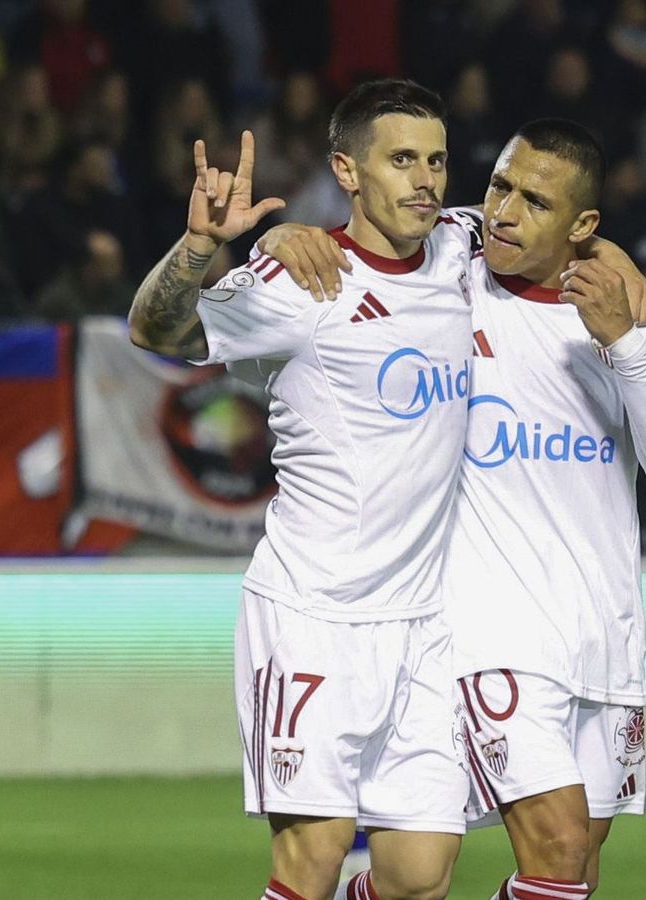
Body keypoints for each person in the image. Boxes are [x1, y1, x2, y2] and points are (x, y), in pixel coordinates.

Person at [260, 119, 646, 900]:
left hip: (603, 629)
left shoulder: (634, 314)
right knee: (558, 849)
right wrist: (288, 238)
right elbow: (369, 239)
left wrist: (625, 344)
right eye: (500, 185)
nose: (504, 210)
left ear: (583, 227)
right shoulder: (449, 271)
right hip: (490, 628)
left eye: (535, 201)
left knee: (568, 864)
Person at [127, 79, 480, 900]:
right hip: (313, 618)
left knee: (419, 876)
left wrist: (613, 260)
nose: (425, 180)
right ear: (347, 171)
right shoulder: (303, 285)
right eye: (401, 160)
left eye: (436, 161)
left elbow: (547, 222)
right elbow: (155, 329)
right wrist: (201, 248)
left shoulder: (463, 250)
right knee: (313, 860)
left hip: (423, 626)